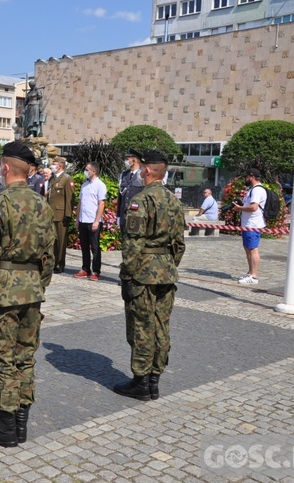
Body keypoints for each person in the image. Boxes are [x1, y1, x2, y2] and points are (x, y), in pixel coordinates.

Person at [0, 141, 55, 447]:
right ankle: (21, 423)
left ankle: (5, 428)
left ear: (5, 168)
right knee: (25, 356)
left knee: (3, 358)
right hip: (32, 290)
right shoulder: (42, 204)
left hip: (2, 292)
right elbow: (50, 256)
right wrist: (37, 284)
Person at [115, 150, 185, 401]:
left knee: (142, 327)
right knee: (161, 326)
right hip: (166, 272)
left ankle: (142, 381)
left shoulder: (141, 200)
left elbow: (133, 243)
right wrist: (167, 264)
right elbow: (179, 243)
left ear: (146, 170)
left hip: (143, 273)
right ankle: (155, 379)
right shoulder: (174, 201)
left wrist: (127, 274)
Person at [73, 162, 107, 281]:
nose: (85, 171)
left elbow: (101, 203)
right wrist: (77, 219)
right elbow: (80, 202)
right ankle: (85, 268)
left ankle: (96, 270)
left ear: (94, 171)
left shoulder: (100, 185)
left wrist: (97, 221)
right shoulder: (84, 185)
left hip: (93, 220)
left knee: (95, 248)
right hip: (83, 219)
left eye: (87, 169)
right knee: (84, 246)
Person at [233, 168, 266, 285]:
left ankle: (254, 276)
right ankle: (250, 272)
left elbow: (254, 207)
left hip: (253, 224)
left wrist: (239, 208)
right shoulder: (252, 190)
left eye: (246, 177)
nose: (245, 179)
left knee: (253, 249)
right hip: (248, 224)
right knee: (248, 249)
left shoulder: (257, 190)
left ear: (252, 176)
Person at [47, 156, 75, 274]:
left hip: (61, 213)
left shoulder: (67, 179)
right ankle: (52, 262)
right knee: (52, 240)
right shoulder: (53, 179)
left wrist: (67, 214)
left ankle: (60, 263)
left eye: (54, 163)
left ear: (60, 165)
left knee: (61, 240)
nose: (52, 165)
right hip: (52, 214)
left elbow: (70, 198)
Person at [117, 149, 144, 230]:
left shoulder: (142, 174)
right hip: (124, 217)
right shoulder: (124, 174)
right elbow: (120, 196)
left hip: (137, 216)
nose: (125, 161)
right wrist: (118, 215)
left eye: (127, 159)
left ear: (134, 160)